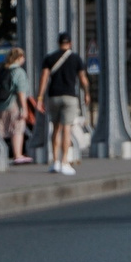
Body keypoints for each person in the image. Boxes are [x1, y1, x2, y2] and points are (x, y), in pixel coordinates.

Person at [38, 33, 90, 177]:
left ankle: (55, 162)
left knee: (55, 128)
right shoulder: (75, 58)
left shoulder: (49, 58)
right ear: (70, 43)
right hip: (69, 96)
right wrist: (86, 93)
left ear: (58, 42)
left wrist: (40, 97)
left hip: (53, 96)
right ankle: (65, 161)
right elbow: (83, 79)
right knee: (67, 129)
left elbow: (44, 77)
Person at [0, 47, 36, 164]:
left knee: (0, 130)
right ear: (19, 58)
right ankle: (18, 155)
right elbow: (21, 92)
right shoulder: (18, 72)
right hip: (13, 105)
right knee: (17, 129)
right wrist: (24, 109)